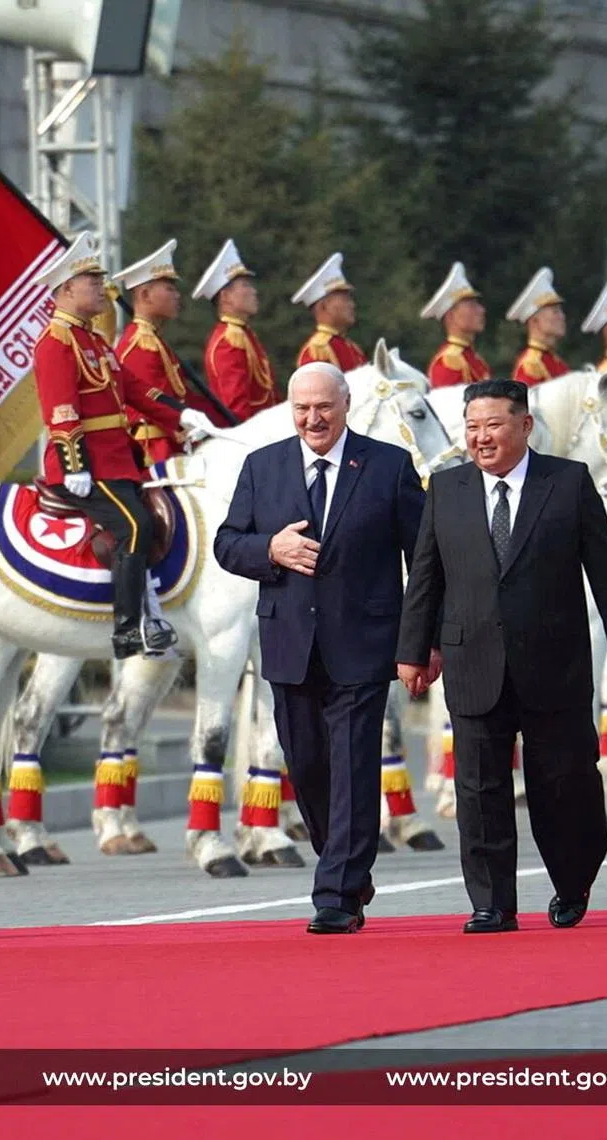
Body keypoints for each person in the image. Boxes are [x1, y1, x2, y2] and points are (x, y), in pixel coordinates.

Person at [396, 379, 607, 933]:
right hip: (472, 661)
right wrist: (414, 651)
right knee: (480, 789)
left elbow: (605, 567)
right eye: (472, 427)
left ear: (525, 425)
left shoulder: (568, 482)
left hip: (553, 662)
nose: (481, 438)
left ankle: (573, 879)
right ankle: (492, 904)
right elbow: (426, 579)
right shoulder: (446, 489)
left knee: (565, 782)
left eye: (493, 425)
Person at [214, 361, 426, 934]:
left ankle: (334, 894)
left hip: (363, 643)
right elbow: (227, 544)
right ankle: (349, 869)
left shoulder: (389, 466)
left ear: (346, 404)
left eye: (323, 407)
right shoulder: (264, 466)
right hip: (288, 645)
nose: (313, 419)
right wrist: (270, 550)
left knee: (355, 766)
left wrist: (421, 639)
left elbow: (423, 559)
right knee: (307, 766)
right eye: (302, 408)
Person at [32, 231, 212, 660]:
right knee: (134, 527)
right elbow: (61, 412)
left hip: (118, 460)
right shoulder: (56, 343)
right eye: (92, 281)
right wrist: (74, 465)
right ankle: (128, 630)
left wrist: (180, 414)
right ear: (66, 290)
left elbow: (136, 390)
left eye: (99, 279)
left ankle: (155, 612)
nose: (102, 287)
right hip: (88, 464)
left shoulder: (94, 341)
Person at [111, 239, 229, 464]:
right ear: (145, 295)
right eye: (169, 288)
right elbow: (155, 404)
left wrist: (224, 425)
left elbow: (183, 396)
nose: (177, 295)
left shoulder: (155, 341)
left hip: (174, 443)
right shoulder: (139, 346)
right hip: (156, 451)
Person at [194, 238, 279, 422]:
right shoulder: (228, 340)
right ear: (226, 297)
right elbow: (236, 407)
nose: (254, 291)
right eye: (246, 285)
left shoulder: (245, 335)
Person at [293, 252, 368, 372]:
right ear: (323, 306)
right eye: (345, 300)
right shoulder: (318, 351)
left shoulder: (353, 348)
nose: (352, 305)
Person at [422, 262, 491, 388]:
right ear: (450, 315)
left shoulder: (477, 361)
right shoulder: (448, 363)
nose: (481, 310)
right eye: (471, 305)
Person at [506, 267, 571, 384]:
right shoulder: (530, 365)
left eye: (561, 311)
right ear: (535, 320)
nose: (562, 316)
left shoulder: (559, 364)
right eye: (555, 311)